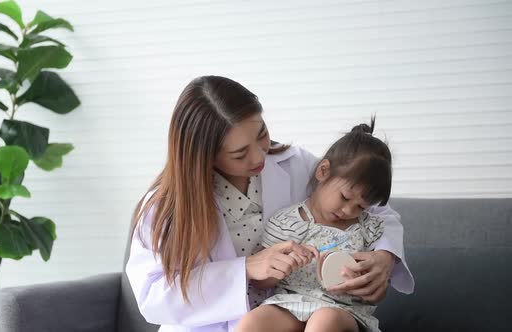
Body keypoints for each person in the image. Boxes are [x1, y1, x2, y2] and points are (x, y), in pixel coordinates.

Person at [125, 76, 414, 332]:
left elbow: (374, 208)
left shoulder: (297, 164)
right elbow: (153, 296)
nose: (259, 157)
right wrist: (246, 268)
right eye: (240, 154)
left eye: (261, 133)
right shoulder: (165, 207)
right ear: (204, 156)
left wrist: (384, 258)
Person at [236, 119, 395, 332]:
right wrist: (283, 266)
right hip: (291, 304)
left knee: (323, 321)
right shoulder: (286, 222)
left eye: (361, 206)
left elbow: (380, 286)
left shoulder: (368, 228)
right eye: (345, 197)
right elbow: (260, 282)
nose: (349, 211)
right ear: (322, 171)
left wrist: (370, 284)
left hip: (343, 310)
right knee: (252, 322)